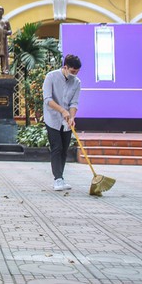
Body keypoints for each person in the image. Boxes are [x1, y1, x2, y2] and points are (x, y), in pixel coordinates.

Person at [43, 54, 82, 192]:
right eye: (72, 72)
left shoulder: (77, 82)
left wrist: (71, 117)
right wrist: (62, 111)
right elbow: (47, 99)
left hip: (66, 121)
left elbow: (74, 102)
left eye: (76, 72)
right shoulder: (51, 77)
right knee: (57, 147)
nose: (74, 75)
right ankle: (57, 179)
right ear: (65, 67)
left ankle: (61, 177)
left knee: (64, 149)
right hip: (52, 118)